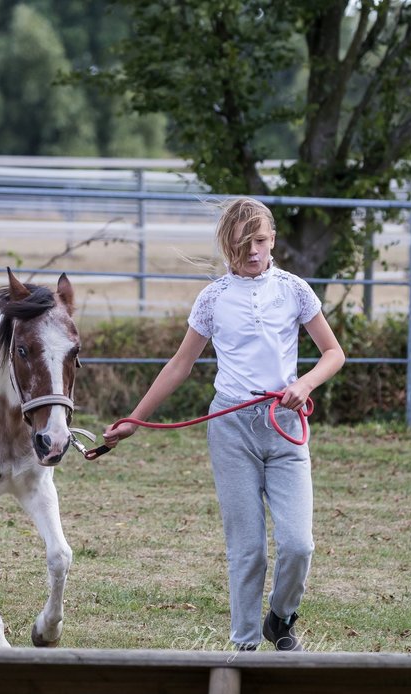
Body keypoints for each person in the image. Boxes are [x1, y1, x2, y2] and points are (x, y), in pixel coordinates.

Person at [102, 197, 346, 651]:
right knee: (248, 548)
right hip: (232, 428)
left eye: (259, 240)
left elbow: (334, 353)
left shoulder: (294, 290)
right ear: (227, 246)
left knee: (298, 545)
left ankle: (281, 616)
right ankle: (246, 644)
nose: (252, 251)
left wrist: (306, 384)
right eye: (241, 244)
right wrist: (135, 420)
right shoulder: (214, 298)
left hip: (285, 425)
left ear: (272, 240)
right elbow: (180, 365)